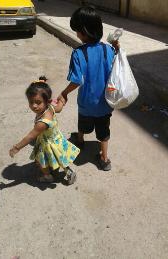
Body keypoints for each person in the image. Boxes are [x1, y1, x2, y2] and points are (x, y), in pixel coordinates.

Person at [58, 6, 120, 171]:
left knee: (83, 124)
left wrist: (64, 93)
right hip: (105, 104)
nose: (76, 34)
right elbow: (116, 68)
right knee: (103, 131)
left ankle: (80, 141)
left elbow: (77, 80)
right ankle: (104, 159)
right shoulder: (109, 49)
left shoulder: (78, 53)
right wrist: (117, 48)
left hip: (86, 104)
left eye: (77, 30)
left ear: (84, 31)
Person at [9, 76, 80, 184]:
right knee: (59, 157)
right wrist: (62, 101)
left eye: (38, 102)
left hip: (47, 144)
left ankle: (47, 176)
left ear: (47, 101)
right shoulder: (50, 107)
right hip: (56, 139)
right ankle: (68, 172)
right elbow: (59, 109)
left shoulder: (42, 123)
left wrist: (17, 147)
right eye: (31, 102)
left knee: (39, 161)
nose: (34, 106)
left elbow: (30, 137)